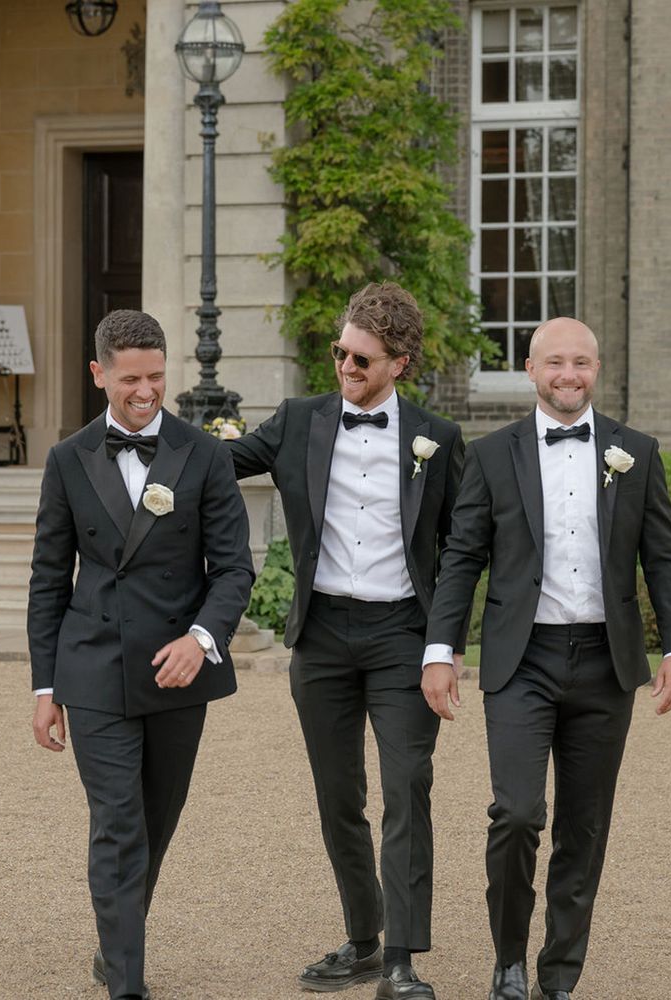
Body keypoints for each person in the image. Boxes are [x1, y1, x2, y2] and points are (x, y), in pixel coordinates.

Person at [421, 317, 671, 1000]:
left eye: (581, 363)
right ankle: (508, 960)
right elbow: (461, 560)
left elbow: (663, 557)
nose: (569, 375)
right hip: (523, 660)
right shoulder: (491, 455)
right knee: (516, 813)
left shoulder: (637, 452)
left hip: (606, 664)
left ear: (596, 369)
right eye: (555, 363)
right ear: (531, 368)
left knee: (584, 824)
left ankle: (559, 976)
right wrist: (439, 649)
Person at [229, 281, 465, 999]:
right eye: (340, 352)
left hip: (402, 635)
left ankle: (400, 959)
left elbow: (460, 549)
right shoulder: (299, 420)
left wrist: (442, 648)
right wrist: (139, 424)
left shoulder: (438, 439)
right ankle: (363, 938)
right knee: (338, 796)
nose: (345, 367)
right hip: (323, 635)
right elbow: (221, 462)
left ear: (399, 362)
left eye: (361, 359)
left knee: (407, 786)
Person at [28, 309, 254, 1000]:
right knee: (119, 824)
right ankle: (127, 980)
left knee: (156, 822)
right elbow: (47, 578)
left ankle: (113, 942)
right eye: (131, 379)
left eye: (156, 376)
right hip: (92, 667)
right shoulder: (68, 459)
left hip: (178, 668)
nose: (146, 391)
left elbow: (236, 569)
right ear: (99, 374)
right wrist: (44, 688)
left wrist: (202, 639)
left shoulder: (206, 454)